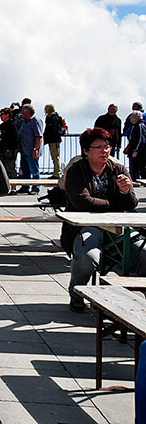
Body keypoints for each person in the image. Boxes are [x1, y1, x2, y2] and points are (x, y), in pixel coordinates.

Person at [63, 128, 146, 312]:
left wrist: (125, 190)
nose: (104, 151)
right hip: (86, 226)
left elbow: (131, 202)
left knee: (143, 252)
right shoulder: (77, 171)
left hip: (117, 226)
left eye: (107, 147)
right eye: (98, 147)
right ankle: (77, 294)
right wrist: (116, 203)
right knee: (88, 257)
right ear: (86, 151)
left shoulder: (118, 169)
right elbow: (83, 203)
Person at [17, 103, 44, 194]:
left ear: (28, 112)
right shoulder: (25, 121)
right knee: (25, 170)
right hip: (24, 150)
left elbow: (38, 137)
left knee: (34, 169)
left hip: (31, 150)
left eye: (23, 111)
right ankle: (25, 187)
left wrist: (35, 149)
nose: (21, 113)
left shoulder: (36, 121)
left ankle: (36, 188)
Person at [0, 107, 19, 180]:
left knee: (10, 169)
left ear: (7, 115)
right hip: (1, 151)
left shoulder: (12, 125)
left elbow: (14, 139)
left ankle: (13, 188)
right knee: (2, 170)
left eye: (2, 114)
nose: (0, 116)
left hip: (9, 151)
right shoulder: (2, 125)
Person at [43, 104, 66, 178]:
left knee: (55, 157)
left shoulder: (54, 118)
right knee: (54, 156)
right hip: (52, 140)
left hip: (54, 140)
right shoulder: (50, 117)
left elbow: (51, 129)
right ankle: (56, 172)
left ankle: (57, 173)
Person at [128, 110, 146, 180]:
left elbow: (141, 139)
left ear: (136, 118)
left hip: (139, 153)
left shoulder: (140, 126)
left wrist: (136, 150)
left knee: (140, 168)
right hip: (134, 151)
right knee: (135, 168)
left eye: (131, 117)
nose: (130, 118)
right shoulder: (134, 126)